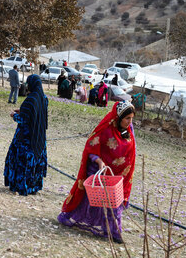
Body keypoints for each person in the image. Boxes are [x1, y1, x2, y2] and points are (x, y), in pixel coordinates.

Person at [58, 101, 136, 244]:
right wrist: (99, 161)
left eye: (131, 118)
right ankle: (67, 216)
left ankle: (112, 231)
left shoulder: (128, 130)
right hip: (99, 170)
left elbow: (131, 151)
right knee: (87, 198)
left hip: (118, 174)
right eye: (127, 118)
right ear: (118, 117)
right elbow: (91, 147)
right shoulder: (105, 130)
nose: (130, 122)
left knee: (114, 201)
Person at [4, 75, 48, 196]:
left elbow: (23, 120)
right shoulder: (43, 98)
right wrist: (22, 110)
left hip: (25, 139)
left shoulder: (30, 100)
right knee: (35, 162)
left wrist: (14, 115)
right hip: (39, 137)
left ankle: (21, 186)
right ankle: (34, 186)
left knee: (21, 162)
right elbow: (37, 114)